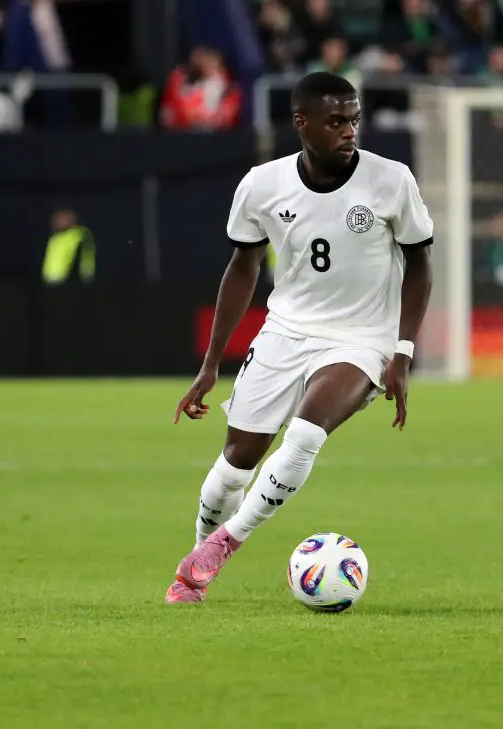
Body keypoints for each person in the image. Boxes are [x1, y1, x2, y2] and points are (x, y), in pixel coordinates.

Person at [164, 72, 434, 604]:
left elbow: (420, 261)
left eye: (354, 120)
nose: (349, 131)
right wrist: (211, 362)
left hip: (361, 338)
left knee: (307, 434)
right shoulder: (262, 185)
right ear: (301, 122)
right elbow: (241, 269)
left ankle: (225, 544)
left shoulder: (391, 179)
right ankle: (198, 561)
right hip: (285, 331)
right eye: (336, 121)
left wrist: (402, 351)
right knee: (230, 472)